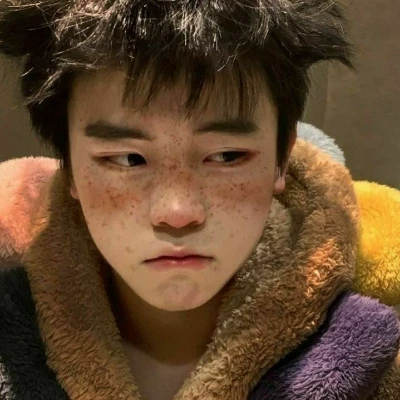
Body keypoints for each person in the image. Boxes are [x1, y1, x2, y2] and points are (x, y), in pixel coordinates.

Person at [0, 1, 399, 399]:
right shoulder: (11, 336)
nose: (177, 213)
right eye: (128, 159)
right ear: (70, 167)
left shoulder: (370, 361)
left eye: (227, 156)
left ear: (281, 160)